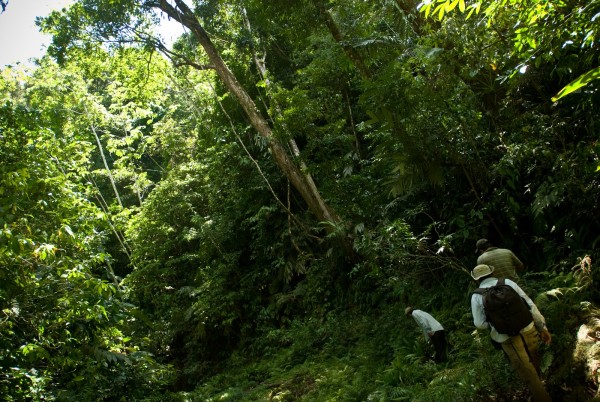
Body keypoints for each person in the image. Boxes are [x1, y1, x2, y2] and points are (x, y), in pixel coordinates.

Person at [470, 264, 552, 402]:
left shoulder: (477, 296)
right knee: (537, 362)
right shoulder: (507, 283)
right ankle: (547, 388)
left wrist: (494, 323)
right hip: (528, 328)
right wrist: (542, 327)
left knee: (529, 373)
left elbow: (479, 324)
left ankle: (542, 397)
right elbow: (529, 304)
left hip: (507, 338)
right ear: (491, 272)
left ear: (476, 279)